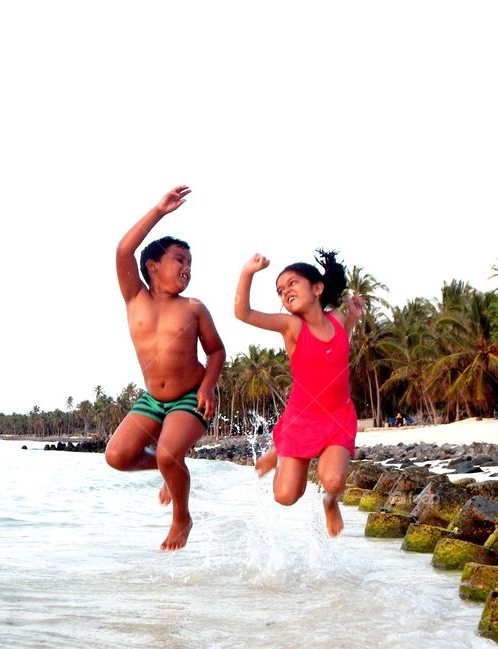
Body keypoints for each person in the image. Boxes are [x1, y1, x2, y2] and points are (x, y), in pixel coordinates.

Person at [104, 185, 225, 551]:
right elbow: (123, 250)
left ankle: (181, 518)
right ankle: (171, 471)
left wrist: (207, 387)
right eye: (179, 260)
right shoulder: (134, 298)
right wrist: (159, 210)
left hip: (191, 396)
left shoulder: (193, 308)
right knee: (117, 456)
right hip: (152, 400)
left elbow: (216, 351)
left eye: (190, 263)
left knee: (169, 453)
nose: (186, 268)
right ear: (153, 265)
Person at [234, 250, 364, 537]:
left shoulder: (338, 318)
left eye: (292, 283)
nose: (286, 292)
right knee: (285, 496)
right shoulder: (291, 326)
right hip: (301, 420)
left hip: (338, 416)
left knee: (332, 482)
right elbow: (243, 313)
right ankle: (281, 451)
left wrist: (353, 317)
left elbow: (339, 346)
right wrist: (247, 272)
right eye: (281, 291)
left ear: (317, 288)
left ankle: (330, 503)